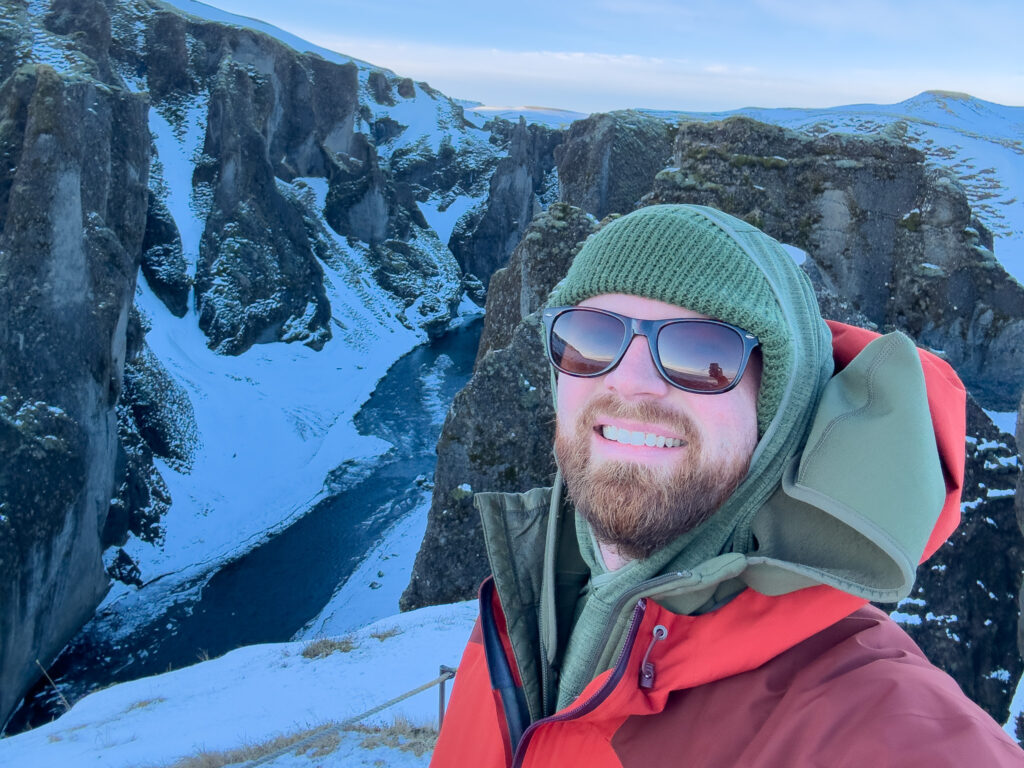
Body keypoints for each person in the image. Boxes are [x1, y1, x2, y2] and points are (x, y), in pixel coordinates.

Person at [430, 204, 1024, 766]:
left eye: (701, 353)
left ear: (778, 413)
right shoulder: (519, 614)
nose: (630, 382)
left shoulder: (869, 722)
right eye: (591, 339)